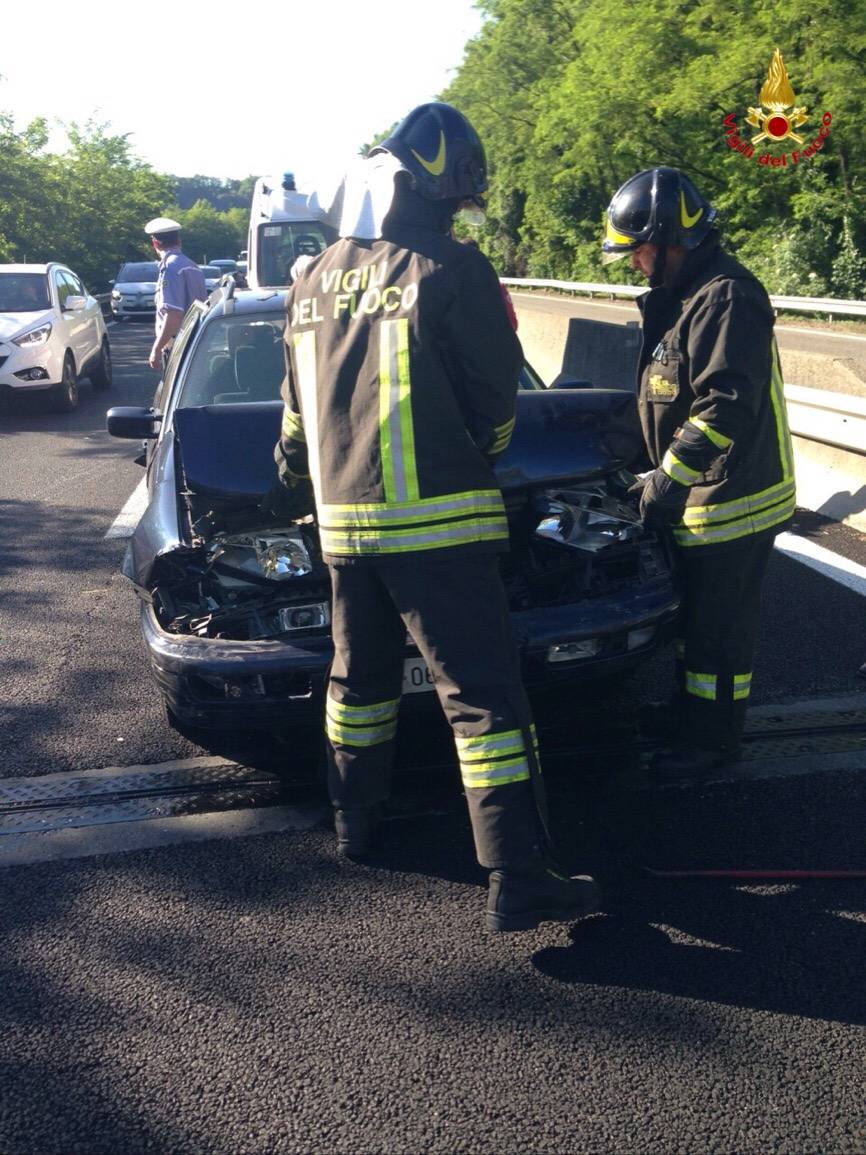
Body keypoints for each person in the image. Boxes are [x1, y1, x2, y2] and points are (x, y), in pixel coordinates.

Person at [267, 102, 600, 932]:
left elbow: (293, 424)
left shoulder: (309, 279)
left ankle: (356, 822)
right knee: (485, 702)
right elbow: (496, 405)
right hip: (440, 530)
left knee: (358, 682)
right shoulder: (453, 270)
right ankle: (519, 875)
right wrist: (476, 454)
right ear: (443, 192)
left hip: (344, 530)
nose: (461, 212)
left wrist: (300, 481)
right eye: (460, 199)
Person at [601, 166, 795, 778]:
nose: (633, 263)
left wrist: (668, 479)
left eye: (637, 251)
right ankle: (692, 715)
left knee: (719, 634)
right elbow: (661, 394)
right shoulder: (684, 298)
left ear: (665, 243)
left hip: (735, 498)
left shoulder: (726, 295)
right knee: (694, 623)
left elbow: (723, 405)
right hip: (701, 497)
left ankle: (713, 740)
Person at [144, 217, 207, 370]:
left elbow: (174, 314)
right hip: (197, 341)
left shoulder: (170, 269)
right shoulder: (192, 266)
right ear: (179, 241)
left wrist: (157, 348)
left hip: (179, 345)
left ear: (155, 243)